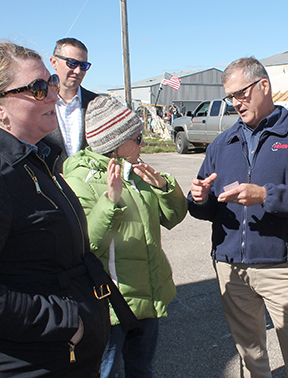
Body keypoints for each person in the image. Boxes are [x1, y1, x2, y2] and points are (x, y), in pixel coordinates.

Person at [0, 42, 113, 376]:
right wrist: (67, 321)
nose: (53, 94)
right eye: (37, 89)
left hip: (53, 357)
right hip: (11, 364)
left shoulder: (33, 159)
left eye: (49, 82)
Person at [188, 57, 288, 378]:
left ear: (263, 86)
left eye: (241, 94)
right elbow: (207, 205)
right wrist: (198, 198)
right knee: (250, 360)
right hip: (230, 269)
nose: (236, 104)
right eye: (230, 98)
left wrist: (266, 195)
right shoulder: (223, 143)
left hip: (282, 269)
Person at [62, 95, 188, 378]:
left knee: (142, 370)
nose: (143, 144)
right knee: (104, 372)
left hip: (148, 298)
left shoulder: (136, 173)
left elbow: (174, 218)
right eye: (138, 137)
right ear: (115, 144)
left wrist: (164, 188)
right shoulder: (79, 181)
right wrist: (110, 201)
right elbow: (84, 245)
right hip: (111, 307)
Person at [45, 37, 98, 171]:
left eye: (84, 66)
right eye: (72, 63)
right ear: (54, 62)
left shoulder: (98, 104)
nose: (78, 71)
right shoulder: (38, 102)